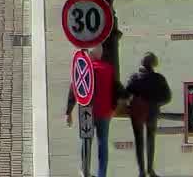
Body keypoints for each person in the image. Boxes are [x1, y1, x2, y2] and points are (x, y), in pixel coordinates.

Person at [66, 35, 125, 177]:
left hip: (87, 110)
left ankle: (85, 171)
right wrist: (115, 107)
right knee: (103, 143)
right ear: (101, 54)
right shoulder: (109, 69)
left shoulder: (84, 69)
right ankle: (101, 174)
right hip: (105, 112)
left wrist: (69, 111)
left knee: (86, 141)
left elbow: (75, 89)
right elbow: (116, 90)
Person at [125, 52, 172, 177]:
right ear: (153, 64)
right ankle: (150, 169)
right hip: (152, 113)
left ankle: (141, 171)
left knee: (139, 141)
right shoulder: (159, 78)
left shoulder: (134, 78)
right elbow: (168, 97)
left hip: (137, 113)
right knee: (151, 140)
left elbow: (126, 94)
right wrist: (156, 103)